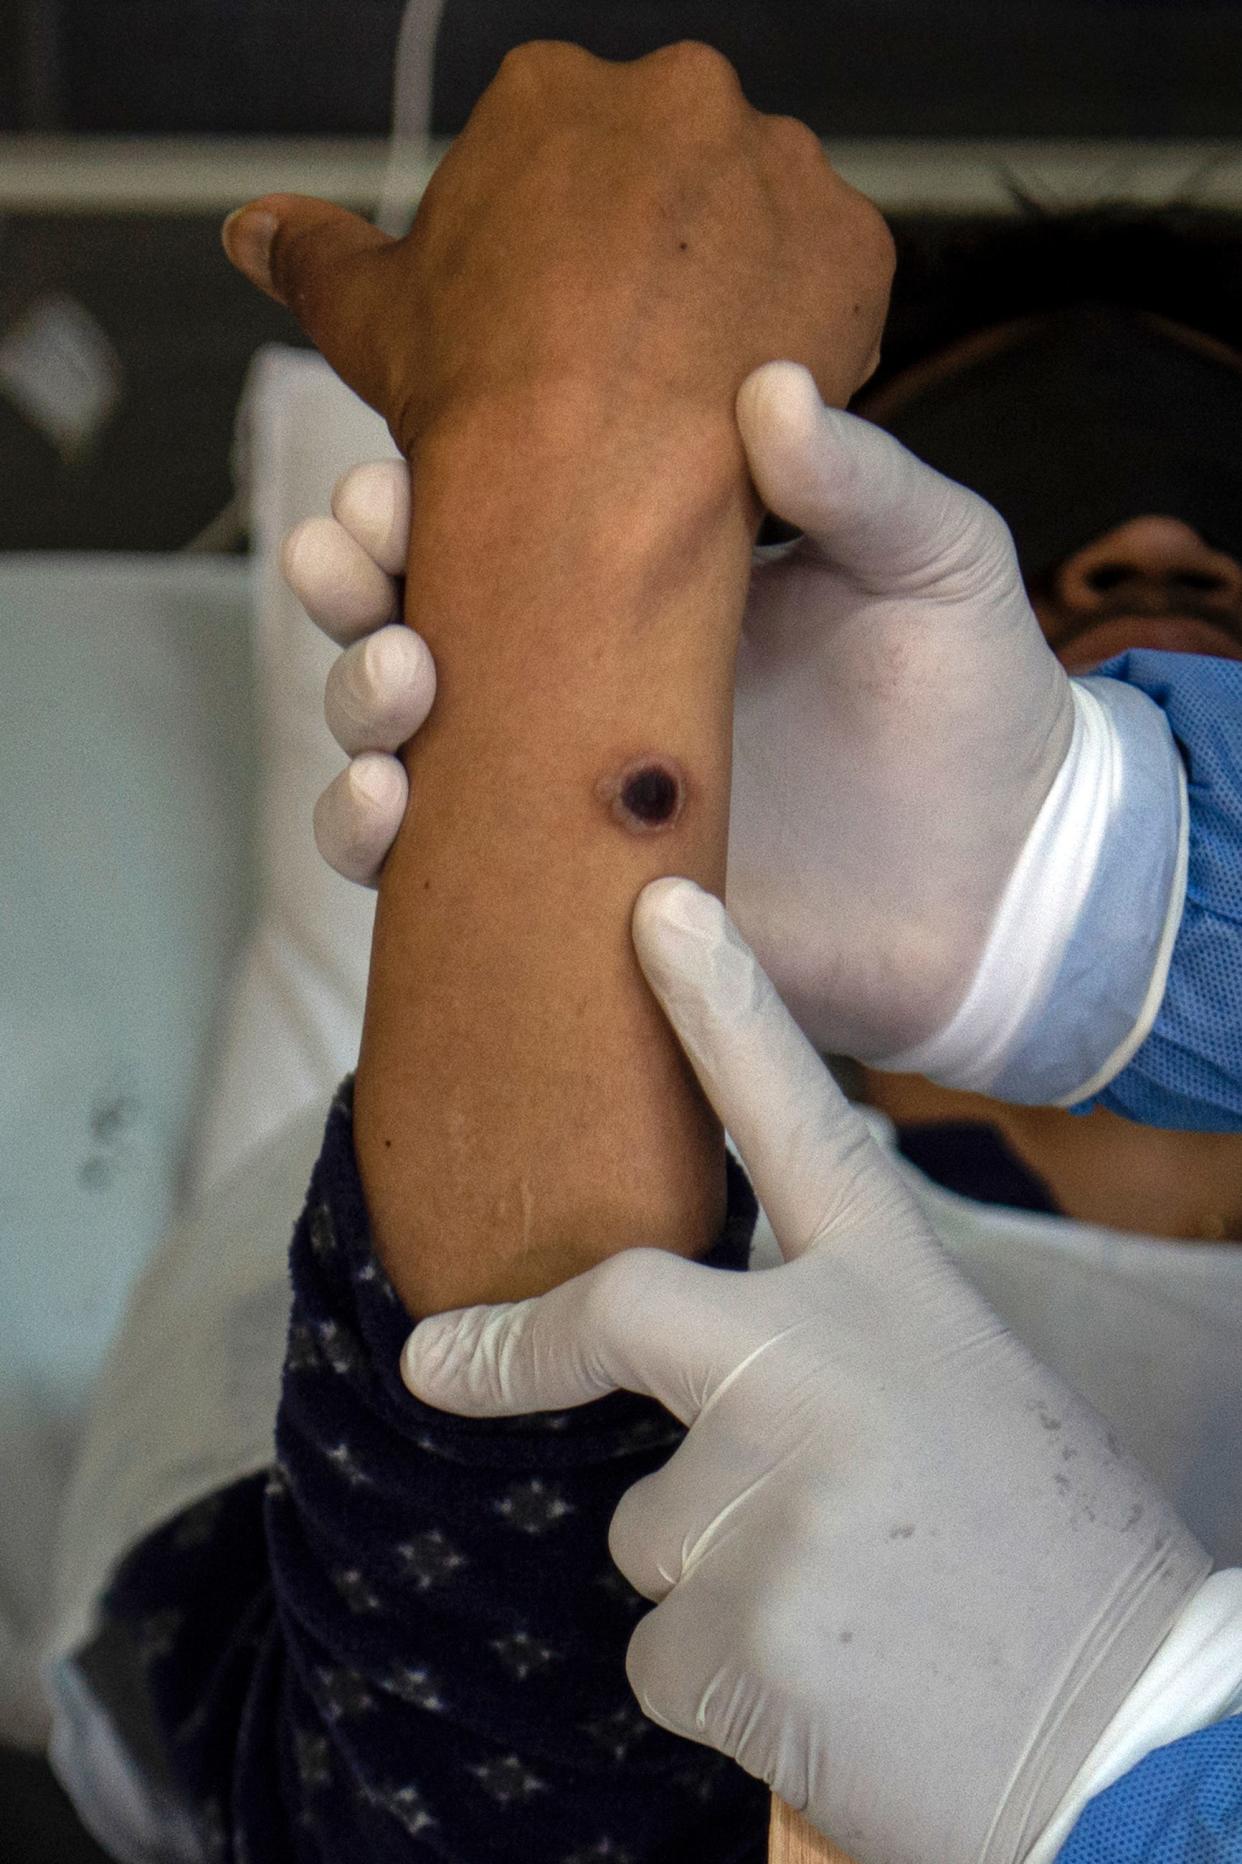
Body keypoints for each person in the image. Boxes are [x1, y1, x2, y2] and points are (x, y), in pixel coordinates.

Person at [45, 45, 1242, 1864]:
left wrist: (574, 458)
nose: (1154, 545)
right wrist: (1108, 882)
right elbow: (441, 1794)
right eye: (1026, 498)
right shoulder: (356, 1219)